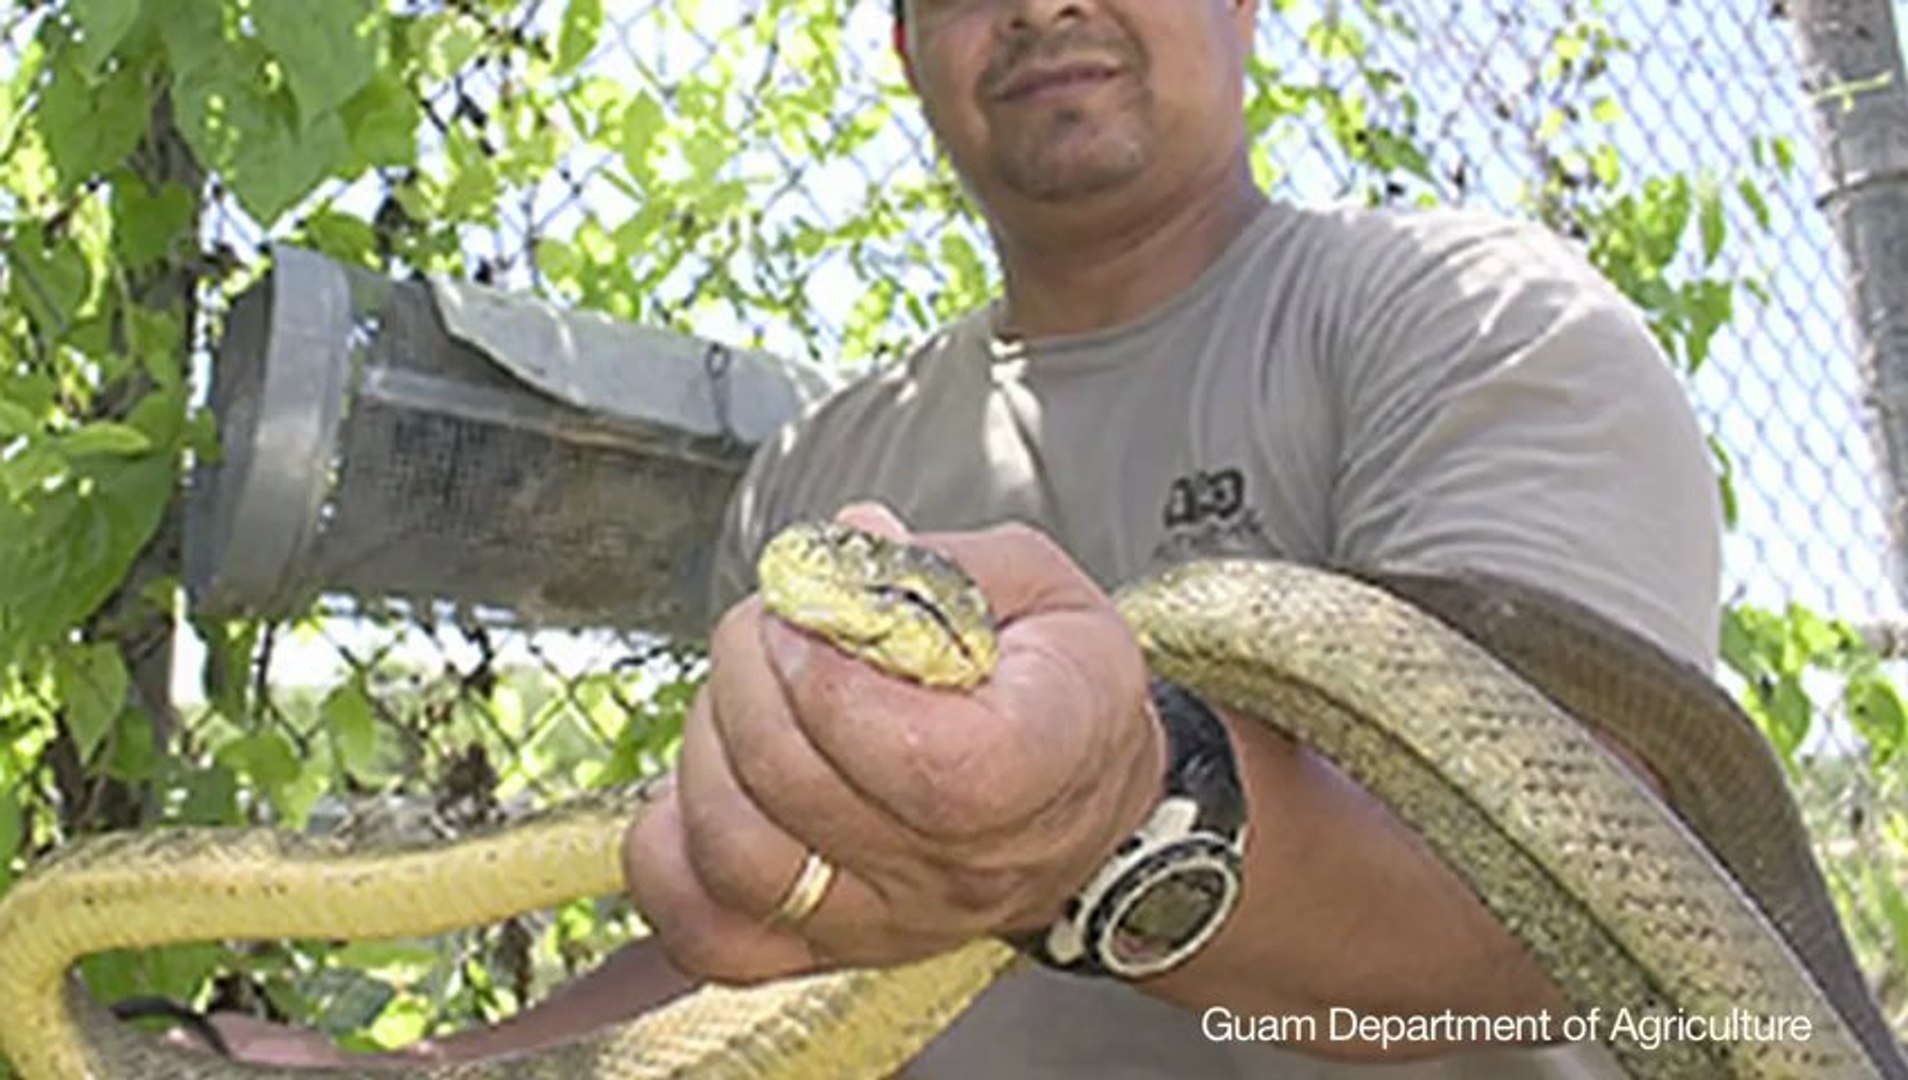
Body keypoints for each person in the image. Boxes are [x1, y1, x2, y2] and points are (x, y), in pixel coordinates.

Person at [189, 0, 1722, 1076]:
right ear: (905, 42)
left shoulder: (1470, 325)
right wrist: (426, 1073)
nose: (1047, 6)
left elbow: (1585, 905)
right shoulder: (825, 467)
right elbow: (765, 945)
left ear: (1251, 5)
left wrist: (1118, 818)